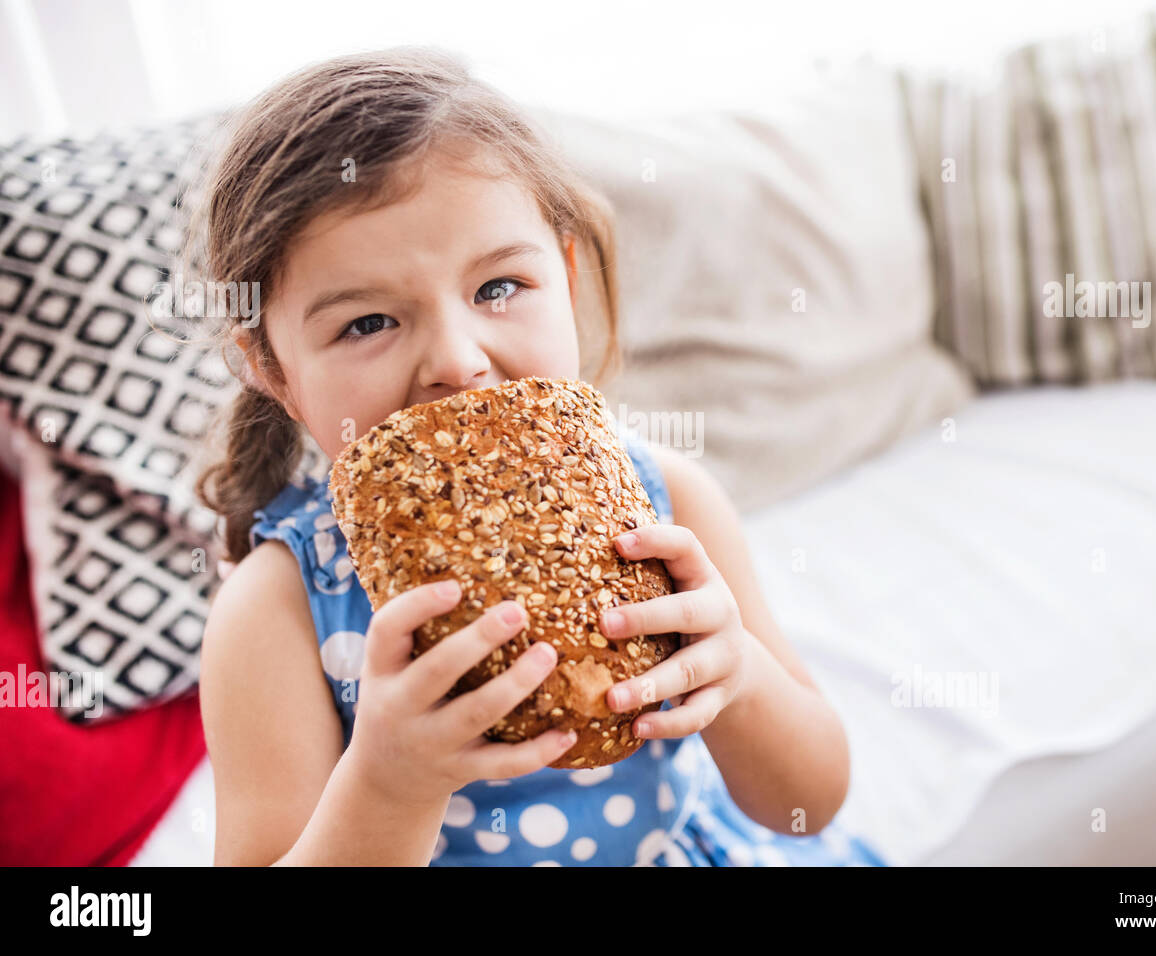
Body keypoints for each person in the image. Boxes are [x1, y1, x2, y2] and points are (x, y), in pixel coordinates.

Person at [193, 46, 886, 867]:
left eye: (497, 288)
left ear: (564, 274)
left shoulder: (670, 505)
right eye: (368, 323)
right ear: (274, 369)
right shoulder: (278, 611)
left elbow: (808, 805)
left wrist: (737, 679)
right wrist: (390, 784)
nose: (456, 359)